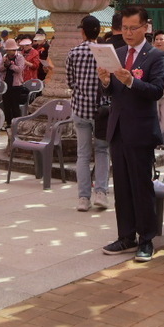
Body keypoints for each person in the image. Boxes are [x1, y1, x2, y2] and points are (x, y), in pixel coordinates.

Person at [98, 6, 164, 263]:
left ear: (145, 27)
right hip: (117, 127)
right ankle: (125, 235)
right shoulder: (115, 53)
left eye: (133, 28)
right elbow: (110, 93)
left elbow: (156, 91)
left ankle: (146, 238)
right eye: (124, 28)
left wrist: (131, 81)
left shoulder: (155, 56)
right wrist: (105, 81)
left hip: (141, 129)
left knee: (141, 185)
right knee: (123, 186)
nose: (128, 33)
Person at [67, 14, 110, 213]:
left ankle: (83, 198)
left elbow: (70, 82)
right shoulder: (105, 53)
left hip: (81, 109)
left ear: (83, 31)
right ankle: (101, 192)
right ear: (98, 31)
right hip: (101, 111)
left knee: (83, 155)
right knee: (102, 151)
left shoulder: (74, 53)